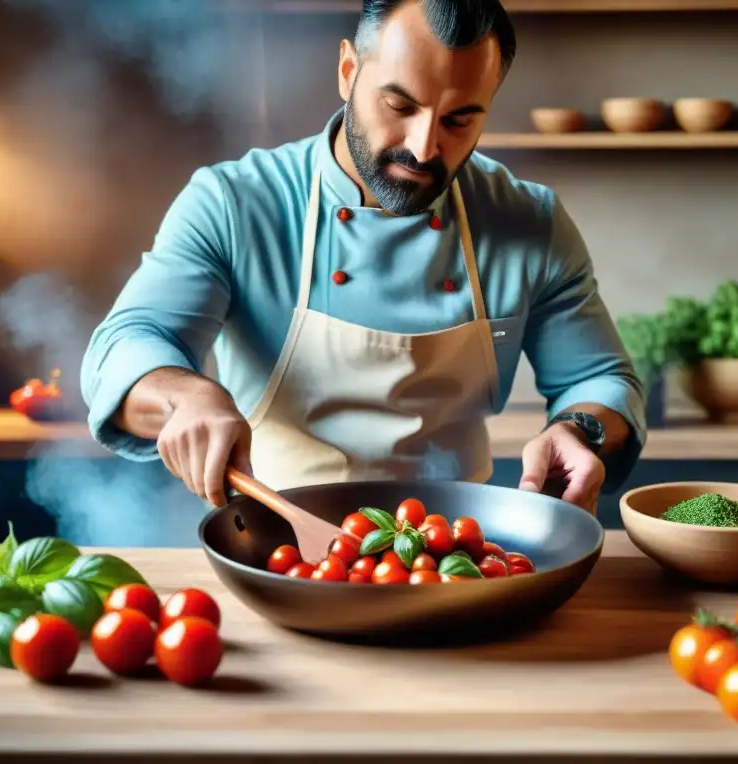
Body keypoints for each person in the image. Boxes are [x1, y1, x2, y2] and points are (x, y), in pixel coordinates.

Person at [80, 0, 646, 517]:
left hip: (453, 550)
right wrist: (187, 395)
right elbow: (127, 343)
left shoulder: (529, 221)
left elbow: (598, 377)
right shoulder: (235, 203)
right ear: (349, 71)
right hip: (276, 541)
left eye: (459, 120)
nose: (424, 147)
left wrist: (580, 428)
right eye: (400, 104)